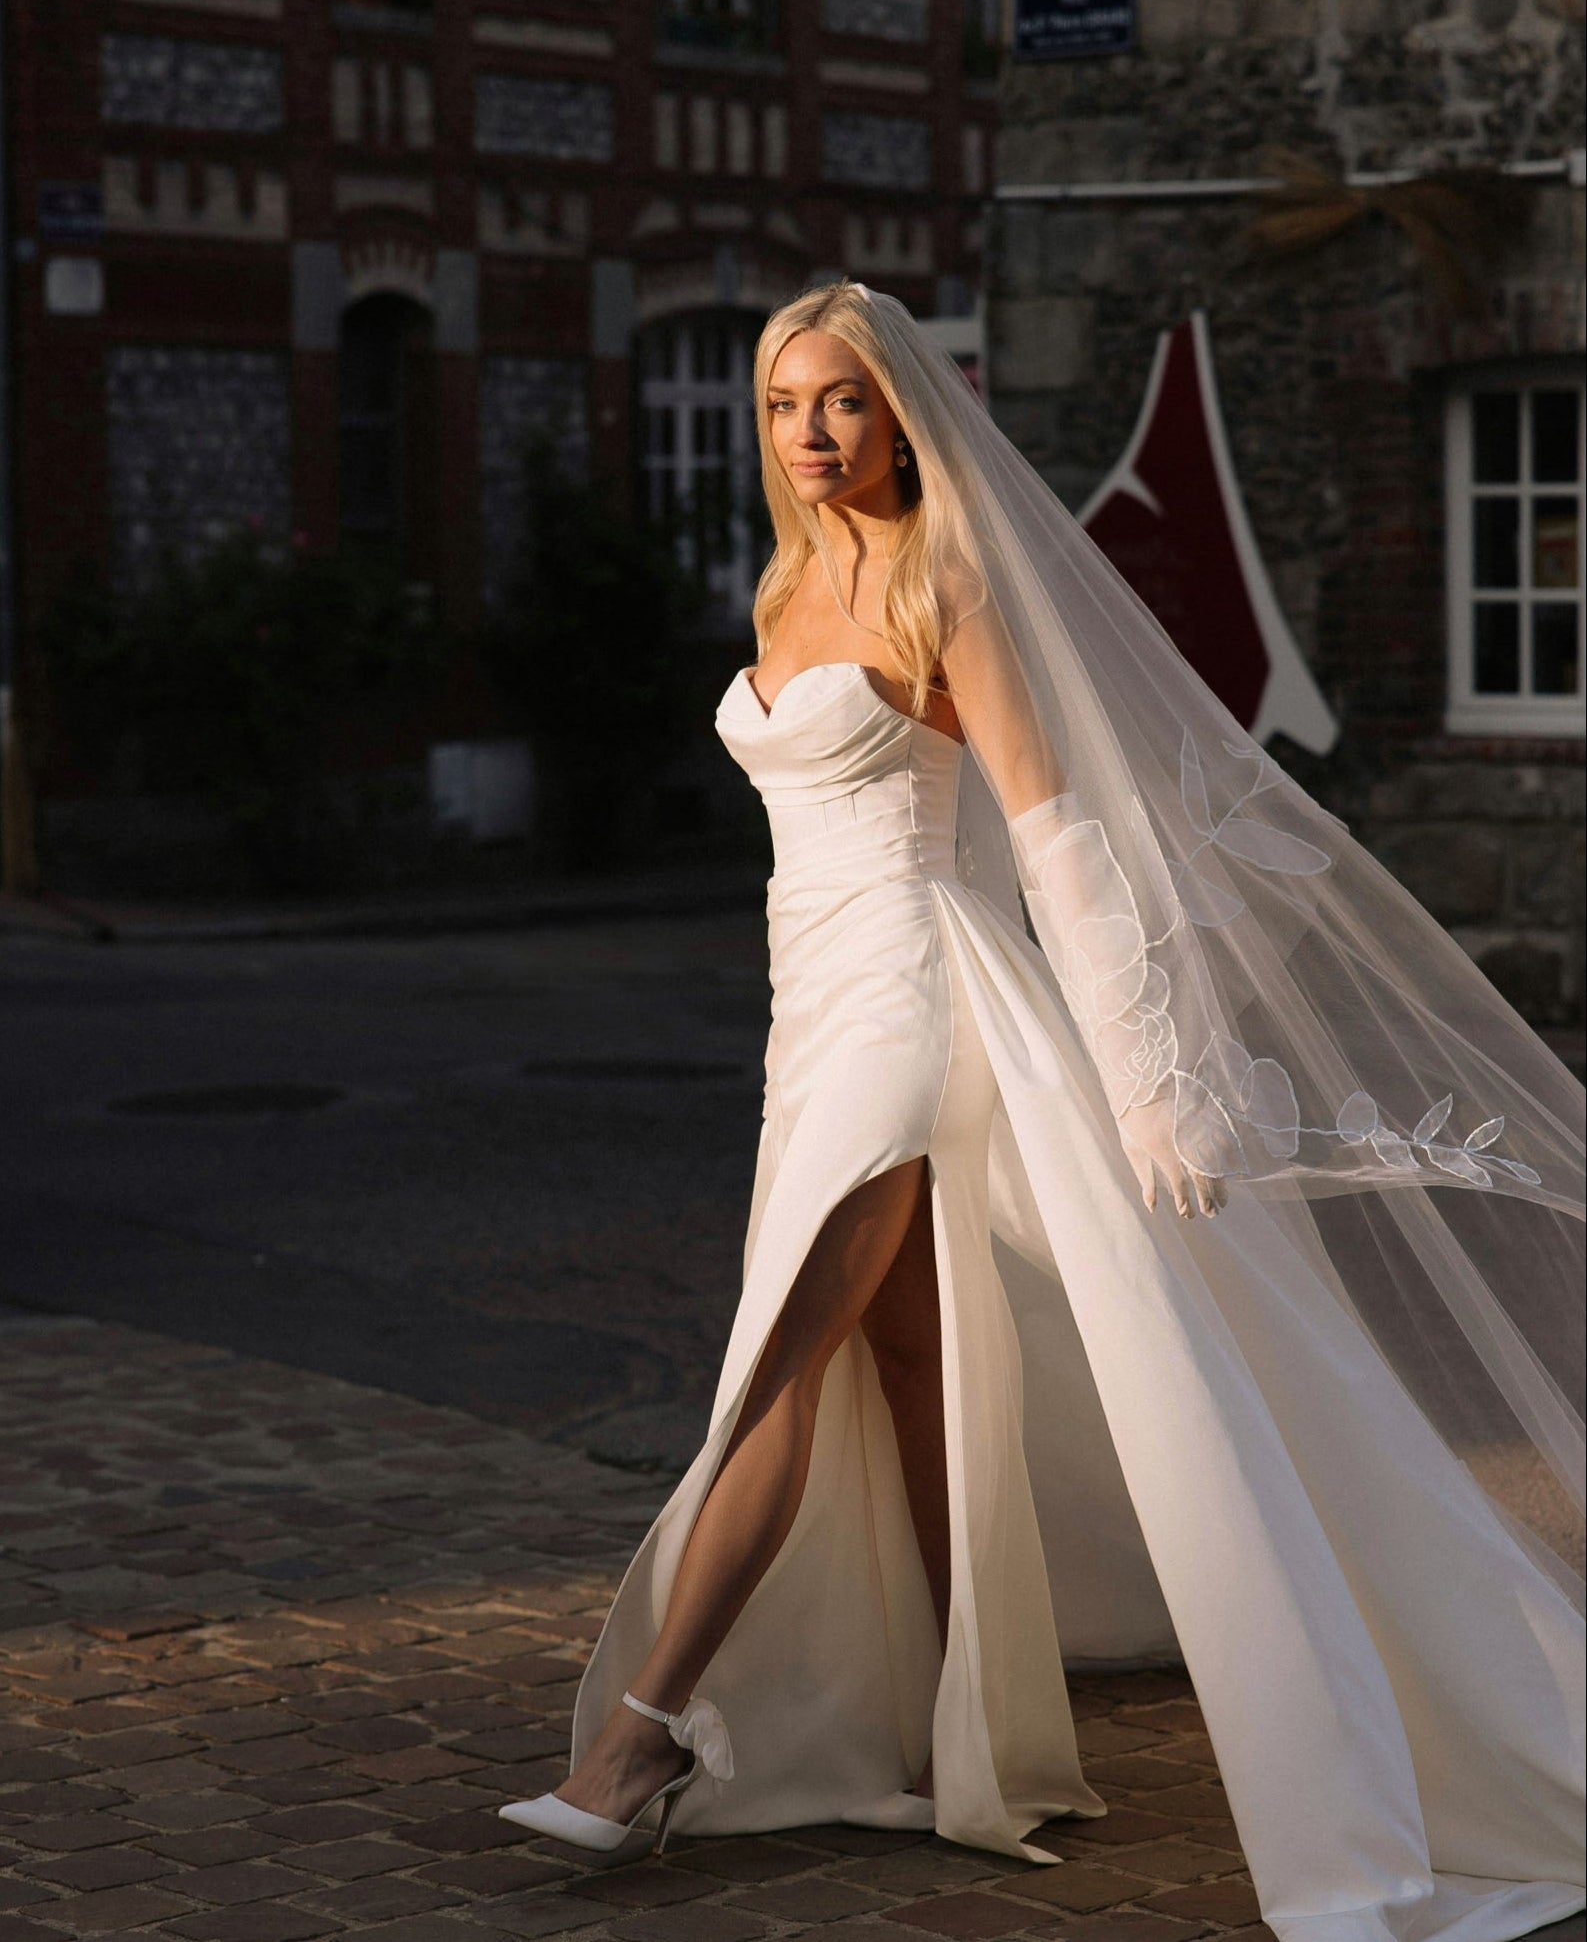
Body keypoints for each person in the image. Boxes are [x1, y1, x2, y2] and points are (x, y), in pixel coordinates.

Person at [499, 280, 1586, 1940]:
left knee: (779, 1363)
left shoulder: (955, 580)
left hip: (922, 1010)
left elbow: (1057, 829)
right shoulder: (788, 583)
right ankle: (966, 1740)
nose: (808, 433)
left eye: (841, 401)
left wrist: (1154, 1082)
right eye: (783, 403)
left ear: (899, 413)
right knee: (908, 1369)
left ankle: (641, 1739)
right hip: (815, 1019)